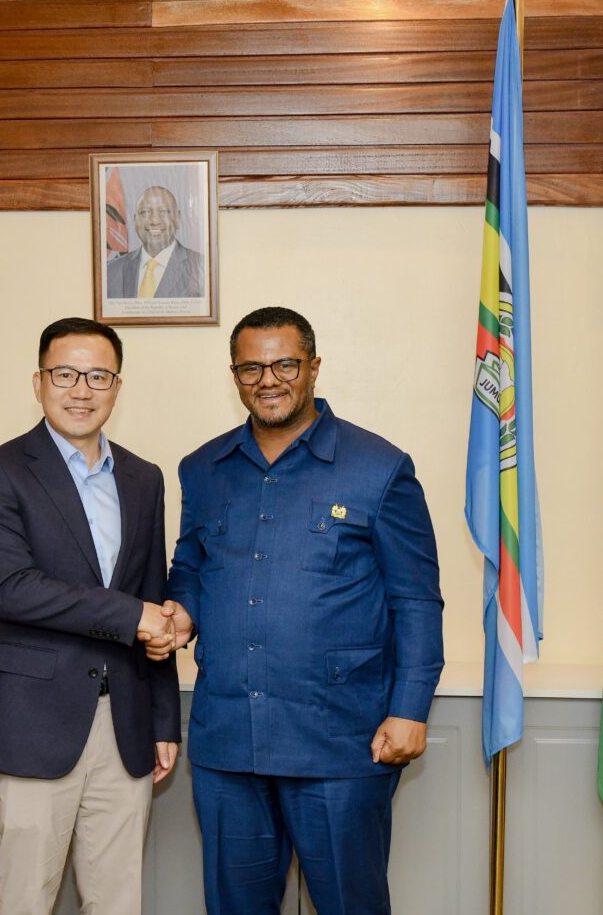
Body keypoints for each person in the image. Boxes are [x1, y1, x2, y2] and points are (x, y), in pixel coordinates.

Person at [151, 306, 443, 915]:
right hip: (228, 744)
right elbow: (193, 568)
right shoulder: (202, 469)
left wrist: (411, 709)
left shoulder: (380, 468)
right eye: (251, 367)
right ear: (234, 375)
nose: (268, 379)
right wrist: (181, 613)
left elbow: (416, 600)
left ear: (313, 367)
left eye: (284, 363)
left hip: (340, 742)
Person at [0, 316, 180, 915]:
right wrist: (134, 614)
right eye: (65, 373)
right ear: (38, 382)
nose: (81, 389)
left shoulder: (143, 478)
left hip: (128, 726)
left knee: (117, 901)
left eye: (98, 376)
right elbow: (14, 589)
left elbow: (153, 594)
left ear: (116, 386)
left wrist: (164, 718)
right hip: (36, 724)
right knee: (25, 900)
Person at [106, 185, 204, 299]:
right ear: (135, 220)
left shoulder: (201, 268)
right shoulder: (110, 271)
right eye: (145, 212)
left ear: (177, 218)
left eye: (163, 211)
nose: (154, 220)